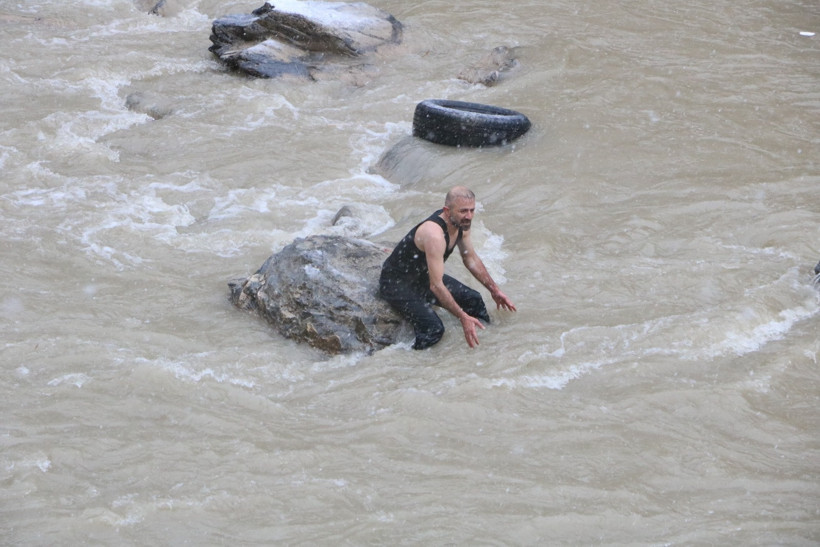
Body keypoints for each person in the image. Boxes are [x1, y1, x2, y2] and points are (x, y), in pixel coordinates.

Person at [378, 186, 516, 349]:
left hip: (422, 276)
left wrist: (494, 290)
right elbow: (436, 286)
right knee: (433, 329)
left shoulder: (461, 224)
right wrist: (462, 316)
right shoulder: (434, 234)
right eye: (463, 211)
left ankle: (489, 344)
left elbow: (470, 259)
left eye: (472, 210)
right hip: (396, 283)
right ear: (447, 210)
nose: (469, 216)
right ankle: (415, 363)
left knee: (474, 299)